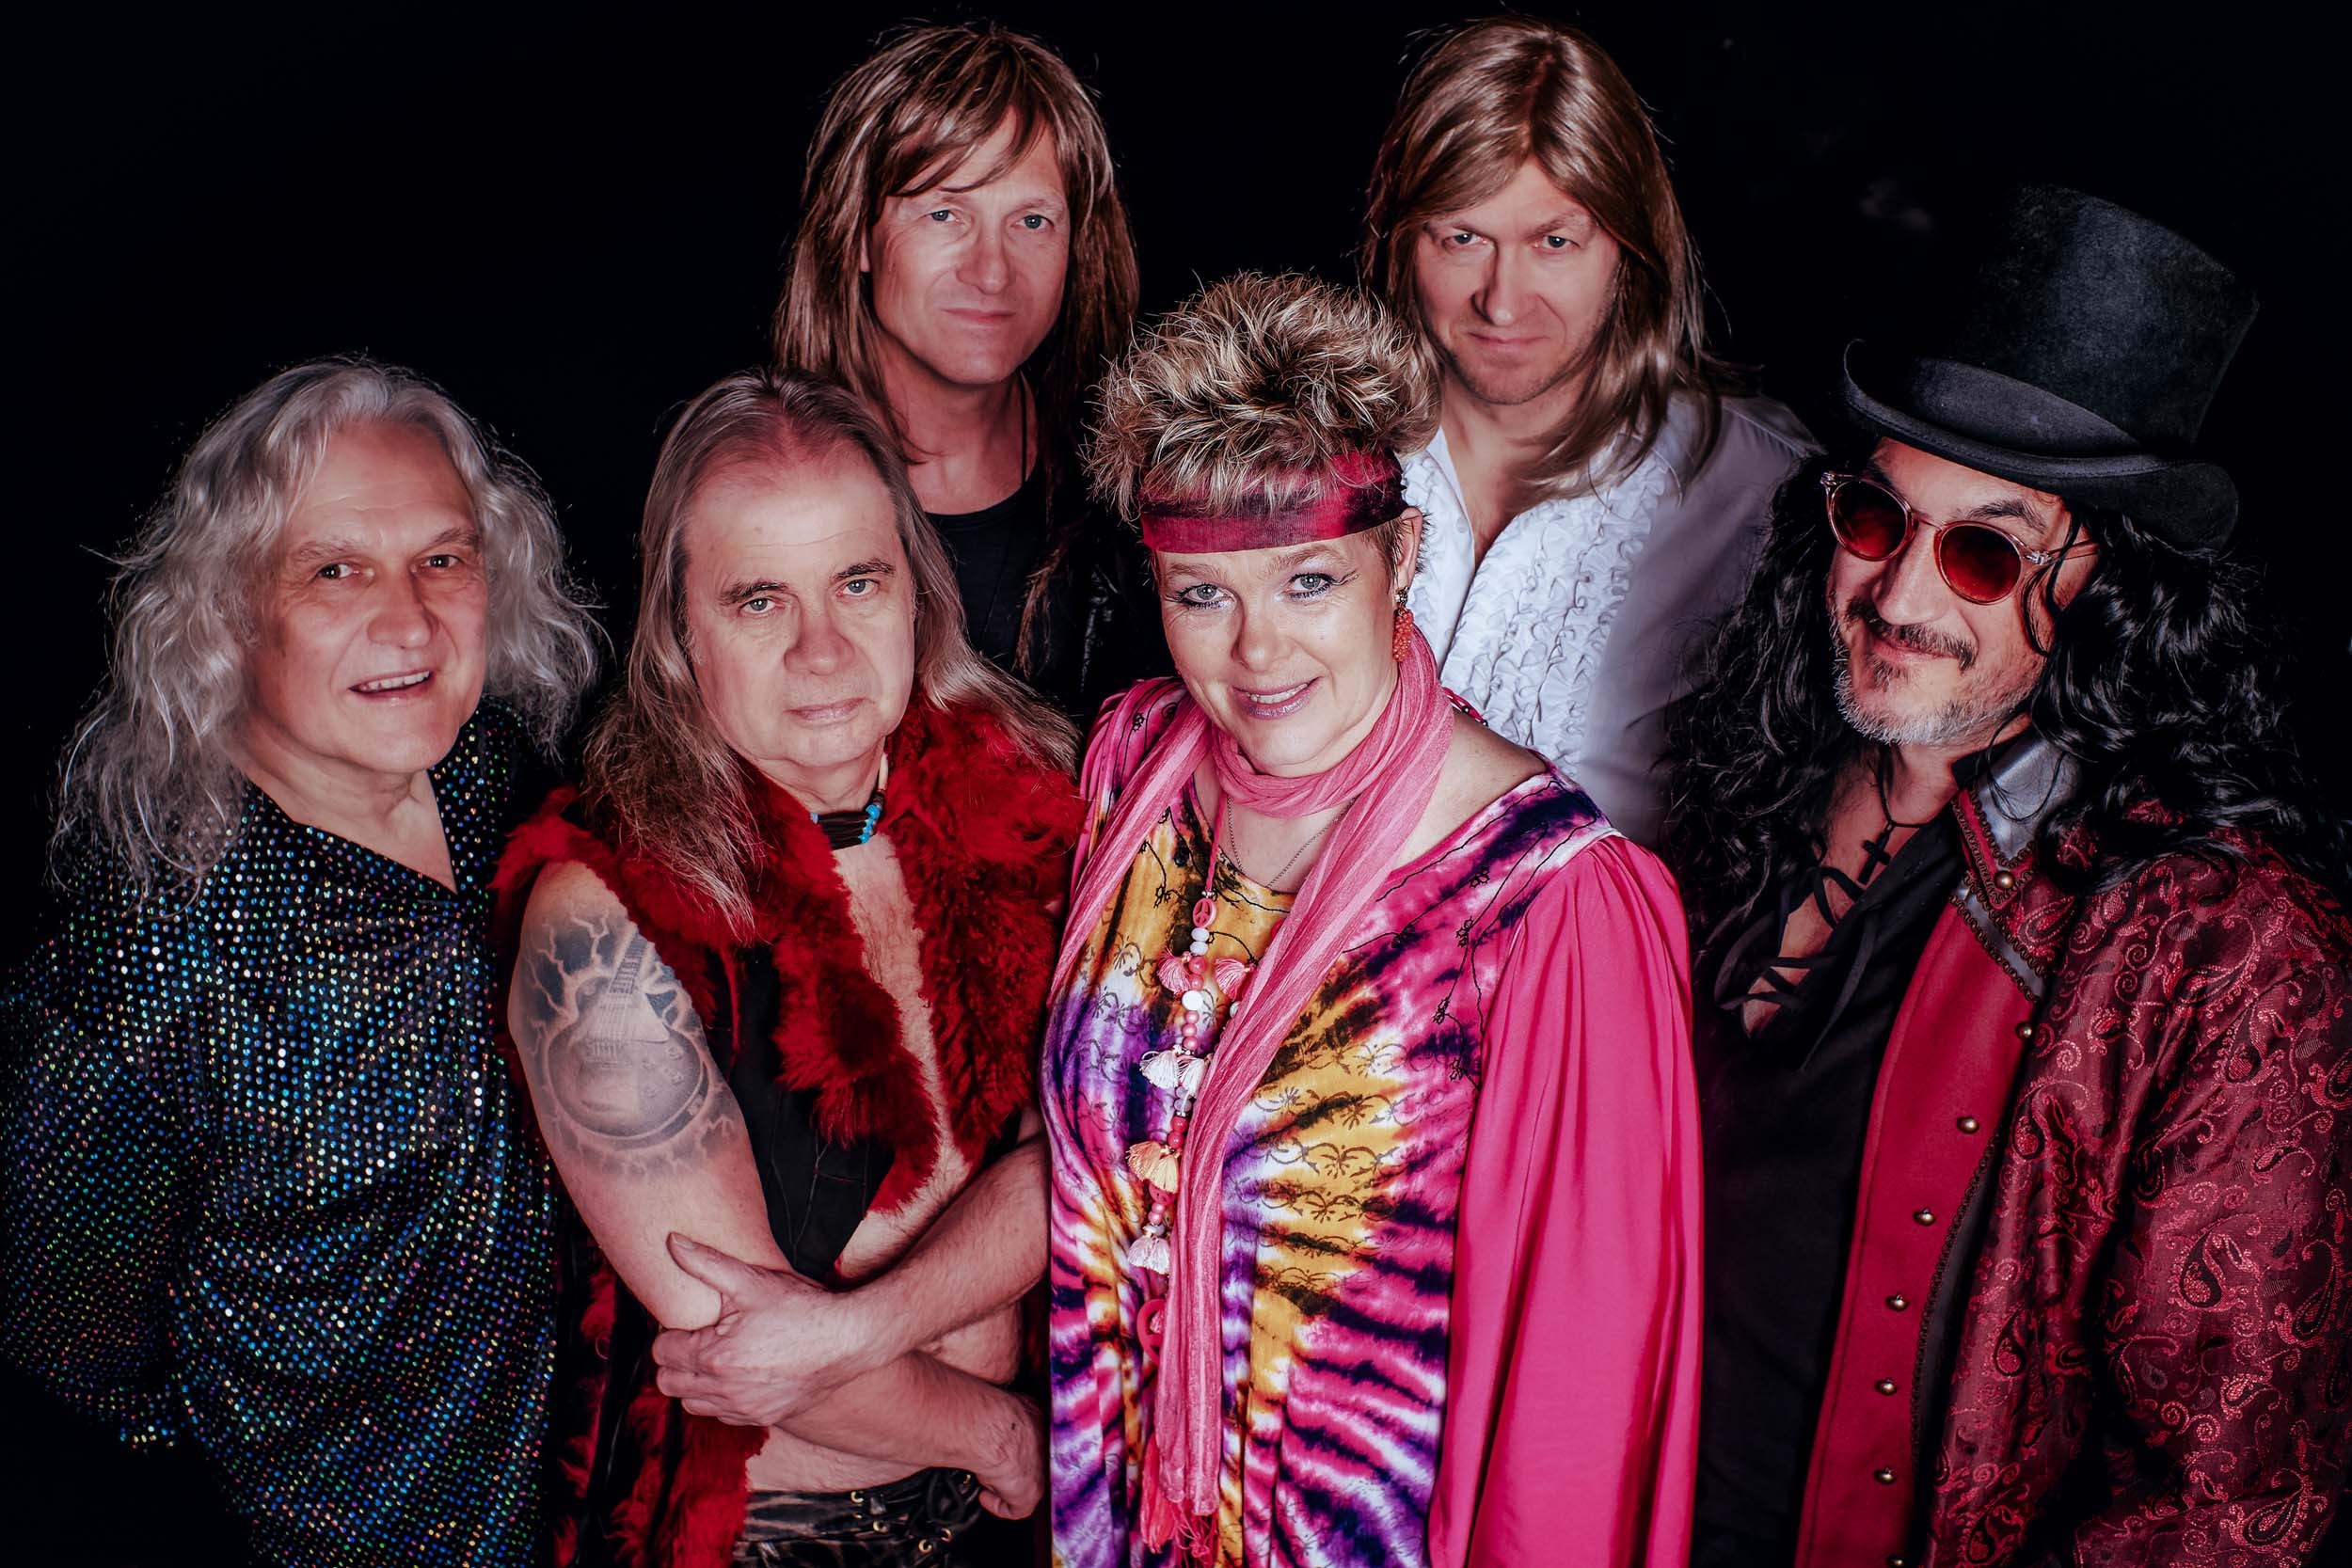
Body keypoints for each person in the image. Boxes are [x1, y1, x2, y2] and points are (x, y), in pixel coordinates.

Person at [1665, 186, 2352, 1566]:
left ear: (2111, 584)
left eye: (1985, 550)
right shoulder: (1759, 777)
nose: (1901, 596)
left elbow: (2223, 1508)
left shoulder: (2224, 951)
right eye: (1878, 517)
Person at [1045, 272, 1702, 1568]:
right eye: (1201, 593)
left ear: (1400, 556)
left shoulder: (1543, 900)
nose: (1256, 653)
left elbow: (1573, 1414)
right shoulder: (1133, 775)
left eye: (1308, 580)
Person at [0, 358, 600, 1564]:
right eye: (335, 570)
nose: (411, 621)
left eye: (443, 557)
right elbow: (62, 1367)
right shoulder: (146, 968)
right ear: (228, 613)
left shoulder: (506, 778)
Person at [495, 369, 1079, 1567]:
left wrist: (866, 1324)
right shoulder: (602, 917)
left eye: (857, 582)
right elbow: (740, 1345)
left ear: (917, 592)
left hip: (1010, 1519)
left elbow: (1085, 1155)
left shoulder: (1026, 801)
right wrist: (1010, 1439)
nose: (823, 650)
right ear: (679, 633)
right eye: (759, 599)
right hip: (772, 1537)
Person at [1360, 15, 1813, 846]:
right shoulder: (1322, 444)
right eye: (1462, 238)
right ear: (1404, 241)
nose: (1502, 302)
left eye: (1554, 241)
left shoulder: (1765, 494)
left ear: (1626, 249)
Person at [776, 21, 1164, 722]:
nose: (991, 272)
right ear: (858, 235)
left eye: (1032, 222)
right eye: (944, 213)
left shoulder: (1131, 491)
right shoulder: (752, 491)